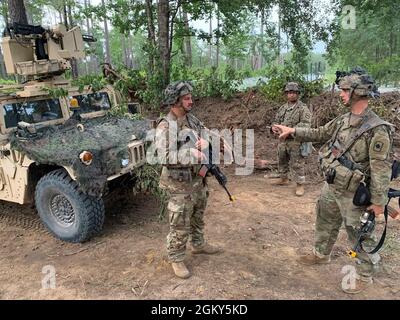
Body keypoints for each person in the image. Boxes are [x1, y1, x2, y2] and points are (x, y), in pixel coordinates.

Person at [273, 68, 394, 294]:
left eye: (345, 90)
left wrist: (378, 202)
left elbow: (381, 170)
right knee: (325, 221)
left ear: (358, 92)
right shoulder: (343, 119)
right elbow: (319, 133)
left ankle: (365, 275)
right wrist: (292, 131)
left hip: (355, 193)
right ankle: (321, 254)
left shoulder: (378, 129)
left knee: (359, 234)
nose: (341, 94)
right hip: (332, 186)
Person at [154, 81, 221, 279]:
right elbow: (163, 157)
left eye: (191, 97)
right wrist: (191, 153)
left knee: (198, 215)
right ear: (175, 101)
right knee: (180, 223)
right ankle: (176, 257)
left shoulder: (192, 119)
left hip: (197, 180)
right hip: (179, 186)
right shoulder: (166, 126)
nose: (191, 101)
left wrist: (206, 141)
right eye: (186, 98)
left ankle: (199, 245)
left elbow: (207, 135)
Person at [269, 82, 312, 196]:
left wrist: (290, 131)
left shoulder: (303, 108)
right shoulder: (283, 108)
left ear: (298, 94)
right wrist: (273, 128)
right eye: (289, 93)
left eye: (294, 93)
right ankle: (284, 178)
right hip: (283, 141)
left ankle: (300, 185)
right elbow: (276, 121)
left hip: (296, 141)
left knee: (297, 163)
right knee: (281, 159)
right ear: (286, 94)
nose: (291, 95)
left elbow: (306, 125)